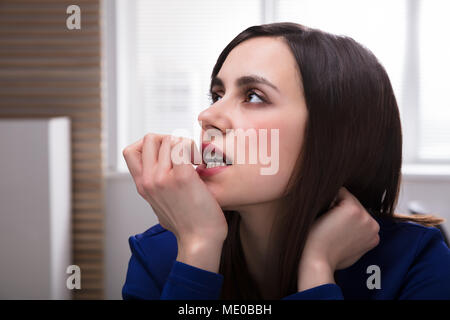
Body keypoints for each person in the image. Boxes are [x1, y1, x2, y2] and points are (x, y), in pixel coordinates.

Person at [121, 22, 450, 300]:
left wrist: (316, 270)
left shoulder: (413, 262)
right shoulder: (162, 254)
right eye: (217, 95)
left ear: (334, 136)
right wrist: (198, 247)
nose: (207, 116)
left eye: (253, 96)